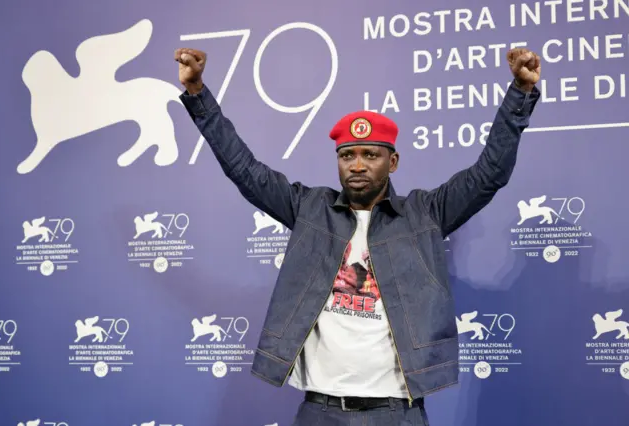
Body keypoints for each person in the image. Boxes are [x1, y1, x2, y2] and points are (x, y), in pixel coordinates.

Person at [174, 46, 541, 425]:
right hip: (321, 411)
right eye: (347, 155)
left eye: (370, 154)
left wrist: (519, 94)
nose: (358, 165)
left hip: (396, 413)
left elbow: (489, 174)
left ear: (392, 161)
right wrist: (199, 94)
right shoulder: (309, 209)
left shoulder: (425, 214)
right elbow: (244, 169)